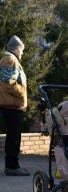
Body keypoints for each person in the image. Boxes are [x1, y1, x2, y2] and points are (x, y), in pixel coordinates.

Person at [0, 35, 29, 176]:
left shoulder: (10, 59)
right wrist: (22, 91)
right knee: (13, 138)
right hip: (11, 106)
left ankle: (12, 166)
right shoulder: (10, 60)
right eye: (22, 50)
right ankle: (12, 167)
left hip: (12, 105)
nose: (22, 53)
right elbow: (7, 83)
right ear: (17, 49)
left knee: (14, 137)